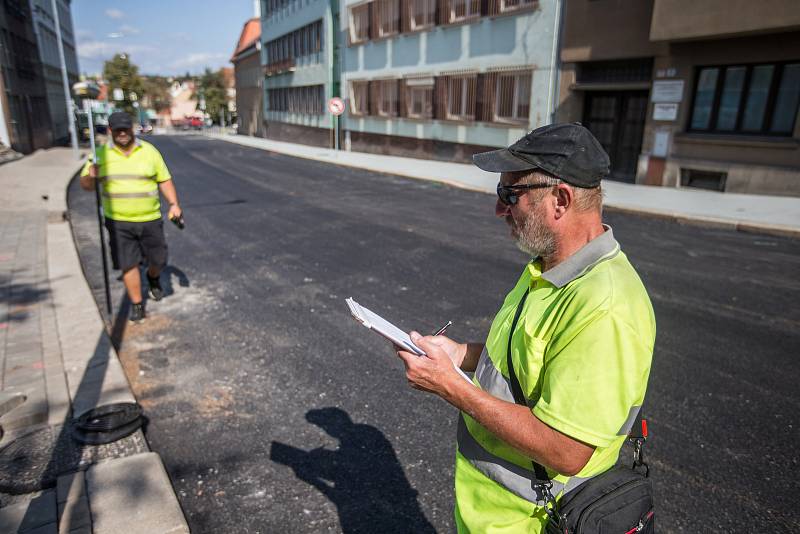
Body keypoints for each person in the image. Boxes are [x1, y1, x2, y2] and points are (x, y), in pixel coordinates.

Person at [396, 123, 656, 532]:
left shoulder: (605, 306)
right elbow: (526, 358)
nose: (500, 209)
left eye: (510, 195)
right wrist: (459, 354)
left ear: (560, 200)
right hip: (491, 516)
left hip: (536, 521)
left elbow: (567, 450)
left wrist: (452, 387)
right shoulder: (549, 268)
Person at [80, 111, 182, 323]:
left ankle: (152, 277)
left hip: (150, 218)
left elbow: (164, 179)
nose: (123, 133)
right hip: (118, 221)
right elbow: (86, 186)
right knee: (128, 263)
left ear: (132, 128)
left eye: (126, 129)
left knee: (159, 259)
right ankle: (137, 304)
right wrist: (91, 176)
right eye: (118, 130)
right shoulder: (99, 154)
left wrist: (174, 204)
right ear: (110, 131)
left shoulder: (149, 152)